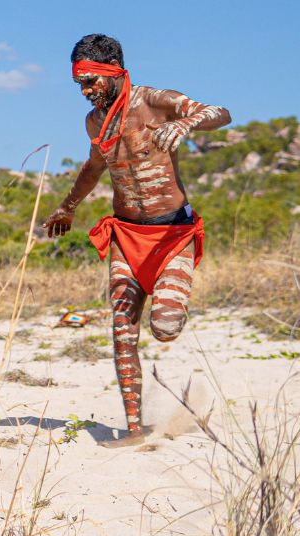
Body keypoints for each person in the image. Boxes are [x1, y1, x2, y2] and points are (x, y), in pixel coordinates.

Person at [42, 34, 231, 447]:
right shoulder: (95, 122)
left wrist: (184, 122)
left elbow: (221, 112)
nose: (86, 91)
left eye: (91, 81)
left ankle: (173, 308)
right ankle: (133, 429)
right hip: (126, 236)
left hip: (171, 235)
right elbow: (94, 166)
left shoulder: (155, 101)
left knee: (163, 328)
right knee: (122, 330)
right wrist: (68, 206)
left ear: (114, 72)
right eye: (80, 84)